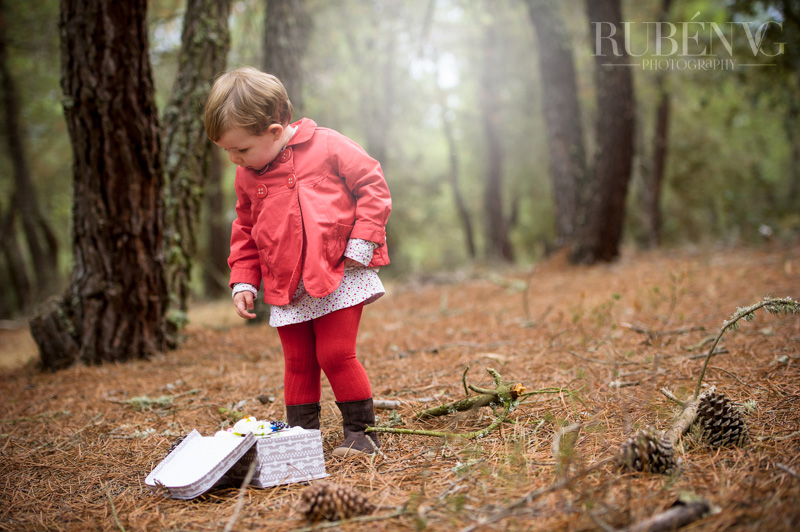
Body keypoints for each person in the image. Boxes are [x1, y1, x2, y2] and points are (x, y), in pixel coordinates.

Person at [203, 67, 391, 457]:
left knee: (335, 354)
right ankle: (300, 442)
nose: (235, 160)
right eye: (228, 152)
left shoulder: (327, 146)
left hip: (339, 271)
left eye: (241, 149)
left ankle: (361, 433)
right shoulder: (247, 175)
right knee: (298, 362)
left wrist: (361, 242)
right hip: (286, 283)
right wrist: (243, 280)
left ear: (274, 130)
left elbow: (372, 184)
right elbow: (246, 228)